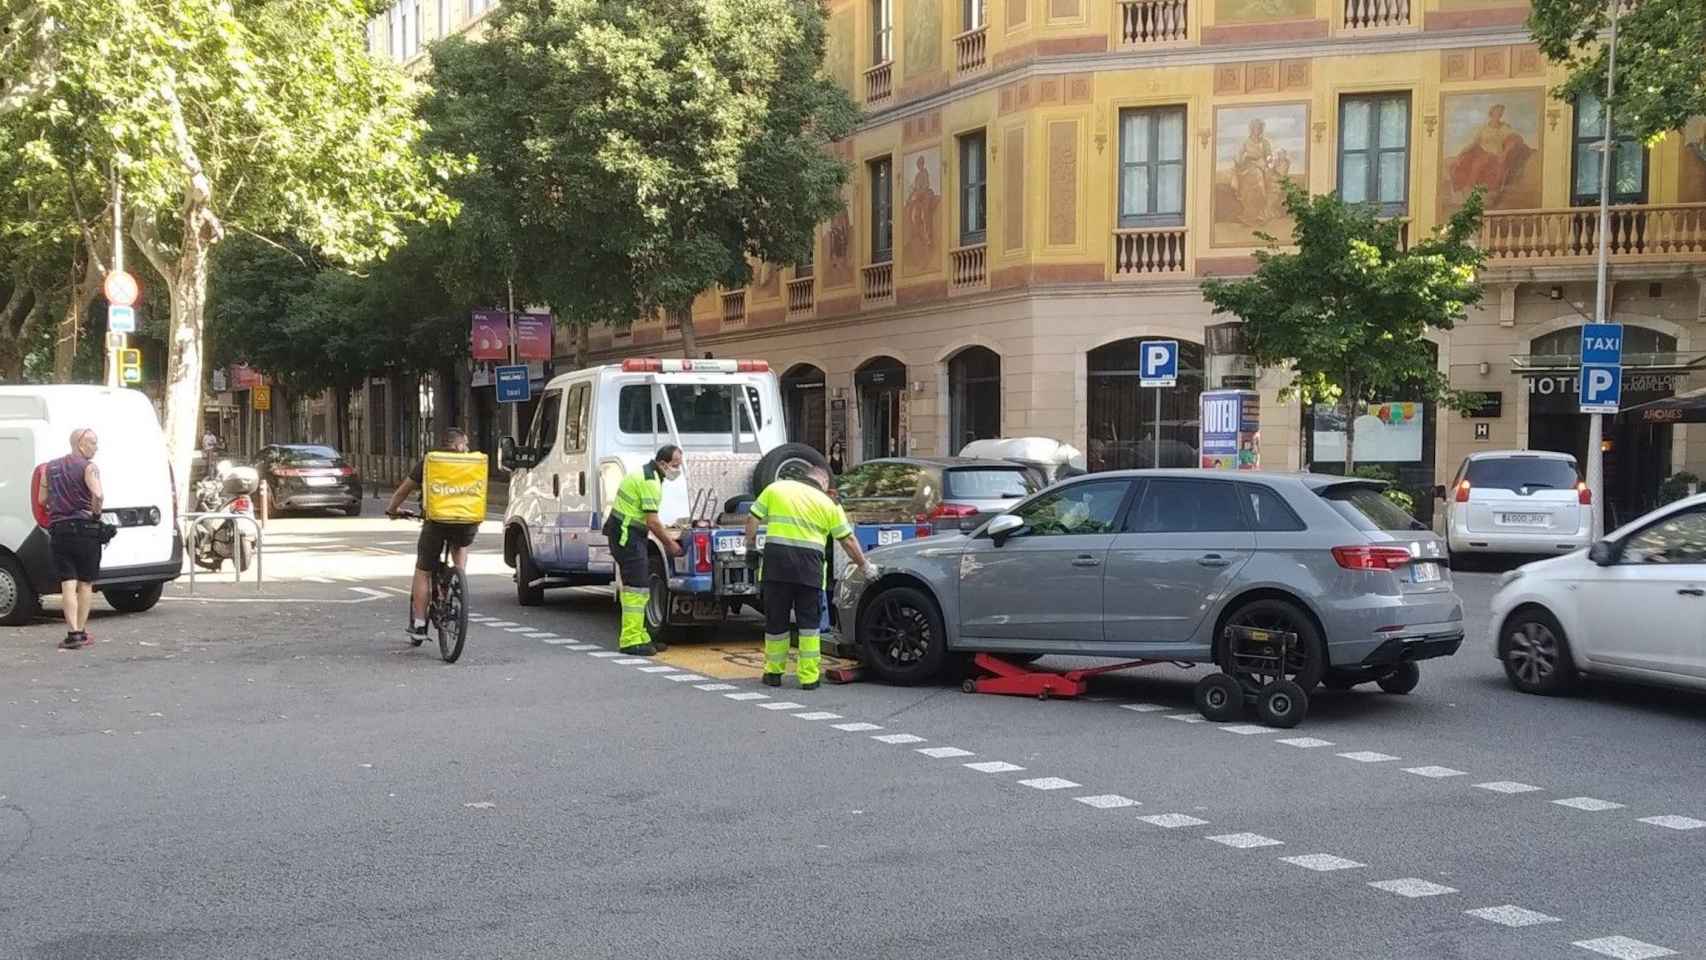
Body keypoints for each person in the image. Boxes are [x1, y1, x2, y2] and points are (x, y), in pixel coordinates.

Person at [745, 465, 877, 690]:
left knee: (776, 622)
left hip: (776, 569)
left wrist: (749, 547)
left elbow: (753, 518)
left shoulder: (777, 488)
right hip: (809, 571)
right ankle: (808, 678)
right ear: (823, 484)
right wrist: (865, 566)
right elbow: (847, 540)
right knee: (809, 625)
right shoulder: (828, 504)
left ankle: (773, 673)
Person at [386, 428, 481, 643]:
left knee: (423, 570)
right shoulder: (473, 463)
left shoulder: (430, 462)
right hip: (467, 522)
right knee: (460, 544)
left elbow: (404, 490)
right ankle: (459, 578)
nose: (467, 448)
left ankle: (419, 624)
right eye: (465, 444)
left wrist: (393, 510)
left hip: (436, 523)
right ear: (458, 445)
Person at [604, 445, 684, 656]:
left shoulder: (649, 474)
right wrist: (671, 544)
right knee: (635, 588)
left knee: (640, 587)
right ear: (663, 463)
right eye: (675, 465)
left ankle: (641, 636)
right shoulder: (650, 482)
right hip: (627, 535)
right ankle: (631, 640)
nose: (678, 470)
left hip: (627, 533)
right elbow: (653, 523)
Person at [39, 429, 104, 650]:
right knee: (85, 583)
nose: (96, 447)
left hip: (59, 530)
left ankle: (72, 632)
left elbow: (42, 499)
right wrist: (96, 515)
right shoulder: (89, 467)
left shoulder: (51, 467)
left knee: (68, 583)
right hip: (85, 529)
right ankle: (82, 632)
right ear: (79, 443)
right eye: (92, 443)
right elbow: (98, 494)